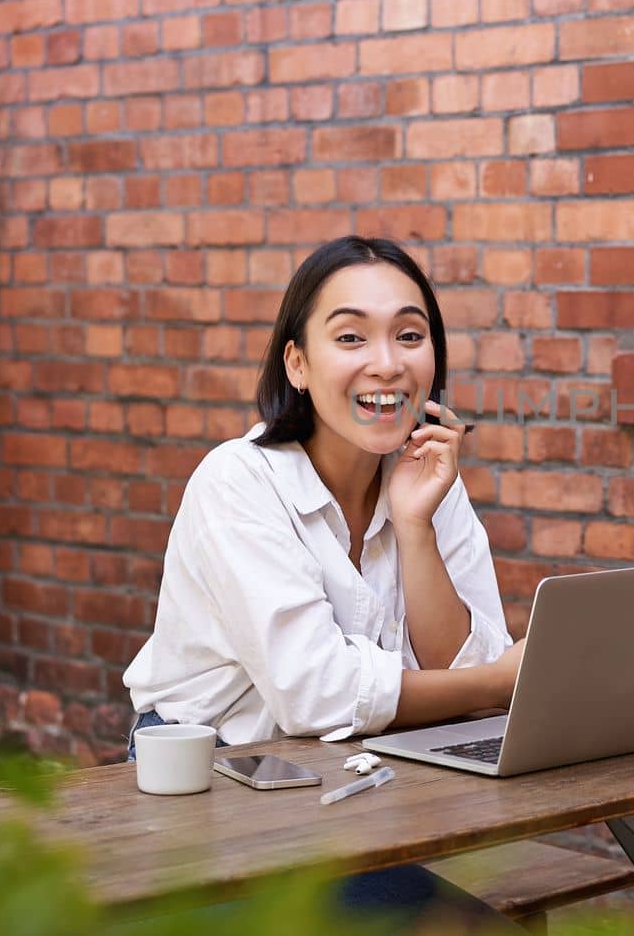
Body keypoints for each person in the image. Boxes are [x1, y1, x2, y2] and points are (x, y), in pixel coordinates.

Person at [122, 235, 525, 932]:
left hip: (350, 782)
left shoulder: (426, 479)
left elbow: (459, 667)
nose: (388, 362)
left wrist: (415, 524)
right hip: (211, 787)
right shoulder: (238, 480)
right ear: (298, 363)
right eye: (350, 336)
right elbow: (319, 690)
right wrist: (496, 684)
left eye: (409, 333)